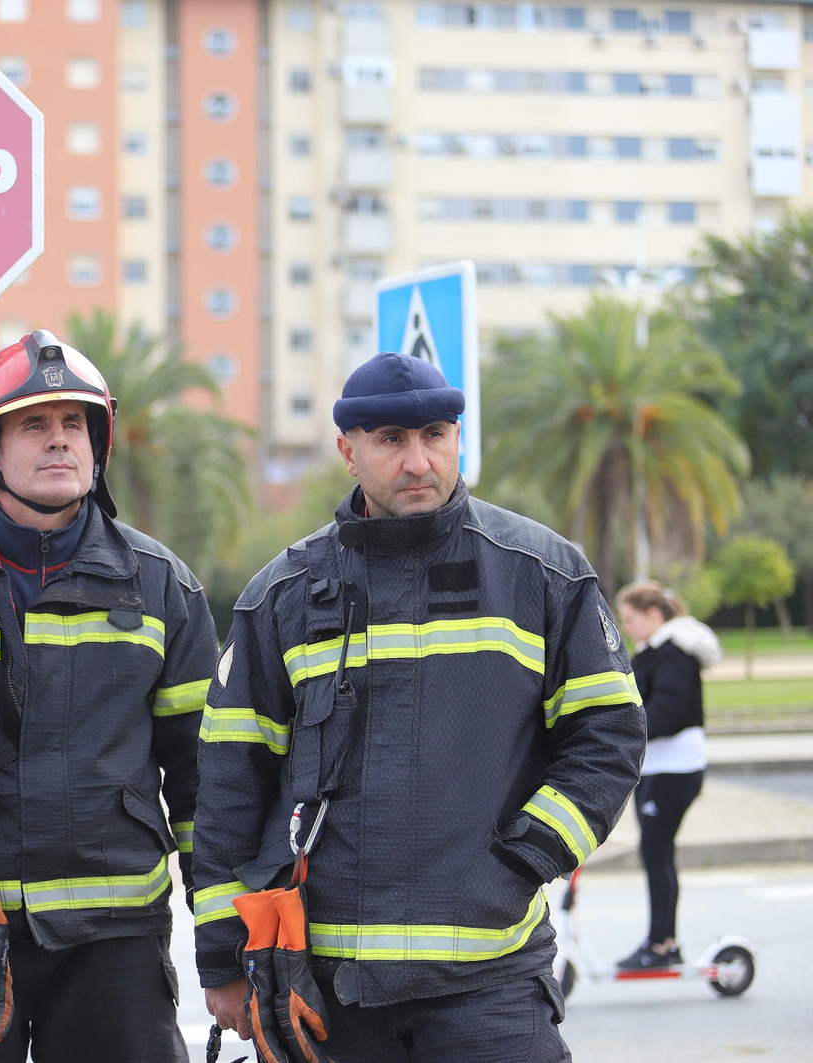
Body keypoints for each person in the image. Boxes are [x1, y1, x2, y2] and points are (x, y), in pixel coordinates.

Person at [195, 351, 646, 1061]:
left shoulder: (543, 573)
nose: (417, 461)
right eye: (390, 440)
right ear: (348, 451)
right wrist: (222, 957)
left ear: (458, 437)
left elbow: (609, 736)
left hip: (492, 982)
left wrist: (524, 859)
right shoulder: (280, 597)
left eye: (435, 434)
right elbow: (229, 781)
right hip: (327, 990)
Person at [0, 329, 219, 1062]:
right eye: (33, 423)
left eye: (75, 424)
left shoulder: (161, 587)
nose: (59, 440)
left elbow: (203, 783)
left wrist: (222, 947)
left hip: (115, 944)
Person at [614, 580, 720, 971]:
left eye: (630, 619)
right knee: (658, 855)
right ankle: (663, 942)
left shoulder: (674, 653)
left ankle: (660, 946)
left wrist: (622, 731)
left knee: (656, 855)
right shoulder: (653, 652)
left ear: (654, 615)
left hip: (674, 769)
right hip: (659, 768)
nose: (626, 628)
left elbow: (667, 712)